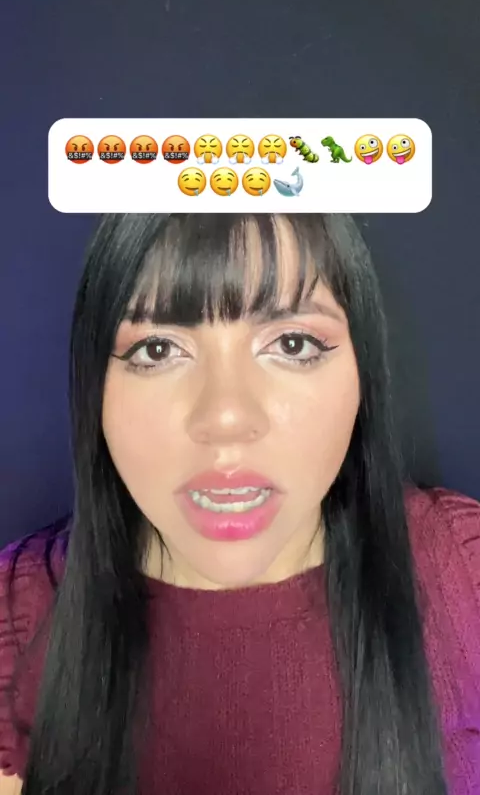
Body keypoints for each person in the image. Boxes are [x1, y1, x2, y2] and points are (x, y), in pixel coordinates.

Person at [0, 213, 479, 795]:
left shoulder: (463, 571)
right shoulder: (16, 617)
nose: (226, 417)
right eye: (157, 349)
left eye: (293, 344)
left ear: (363, 370)